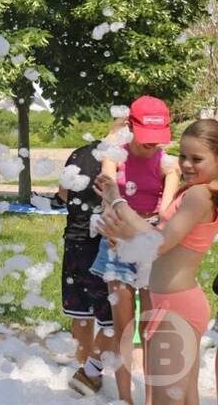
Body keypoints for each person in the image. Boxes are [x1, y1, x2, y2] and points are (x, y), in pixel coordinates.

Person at [96, 119, 218, 405]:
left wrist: (126, 233)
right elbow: (156, 234)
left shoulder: (199, 196)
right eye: (183, 156)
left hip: (176, 308)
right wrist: (117, 201)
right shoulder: (196, 192)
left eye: (197, 158)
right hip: (176, 304)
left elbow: (161, 244)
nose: (186, 164)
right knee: (183, 397)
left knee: (168, 399)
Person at [92, 96, 180, 403]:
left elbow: (166, 217)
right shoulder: (115, 155)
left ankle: (153, 397)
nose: (152, 145)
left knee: (153, 329)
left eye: (158, 139)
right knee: (124, 327)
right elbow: (107, 198)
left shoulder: (168, 164)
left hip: (149, 239)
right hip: (117, 240)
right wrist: (117, 234)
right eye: (146, 138)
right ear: (131, 127)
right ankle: (126, 398)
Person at [57, 139, 116, 395]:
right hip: (101, 242)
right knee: (112, 315)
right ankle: (94, 373)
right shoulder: (120, 157)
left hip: (74, 239)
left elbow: (63, 193)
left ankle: (81, 367)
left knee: (81, 312)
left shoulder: (79, 152)